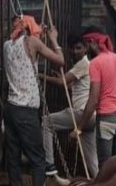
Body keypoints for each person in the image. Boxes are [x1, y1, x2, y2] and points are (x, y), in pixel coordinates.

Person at [2, 16, 64, 186]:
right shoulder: (32, 42)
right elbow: (59, 61)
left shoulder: (7, 45)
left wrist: (39, 34)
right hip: (27, 109)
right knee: (38, 159)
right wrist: (53, 39)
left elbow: (28, 57)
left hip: (11, 108)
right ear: (30, 27)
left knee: (13, 156)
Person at [41, 35, 98, 178]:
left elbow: (62, 83)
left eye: (79, 48)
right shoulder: (87, 65)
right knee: (92, 162)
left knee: (46, 122)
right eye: (73, 48)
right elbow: (72, 87)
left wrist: (40, 76)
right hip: (91, 118)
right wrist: (59, 79)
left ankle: (49, 164)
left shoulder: (83, 64)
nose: (75, 51)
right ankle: (101, 184)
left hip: (81, 113)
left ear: (85, 48)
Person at [75, 27, 116, 170]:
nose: (86, 50)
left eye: (86, 45)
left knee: (105, 169)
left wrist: (79, 128)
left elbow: (93, 100)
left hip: (106, 119)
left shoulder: (96, 63)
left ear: (93, 43)